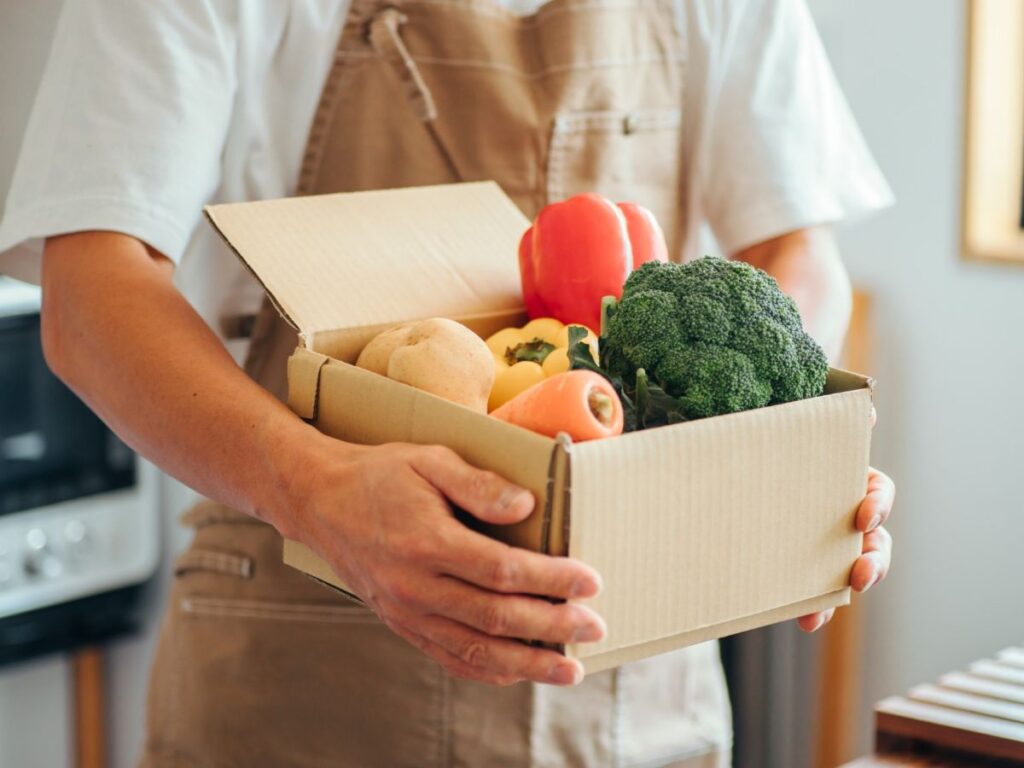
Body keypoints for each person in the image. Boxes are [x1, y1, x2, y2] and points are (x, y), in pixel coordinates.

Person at [0, 0, 896, 765]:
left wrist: (778, 448)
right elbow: (91, 294)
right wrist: (311, 488)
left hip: (635, 704)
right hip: (305, 685)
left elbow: (796, 253)